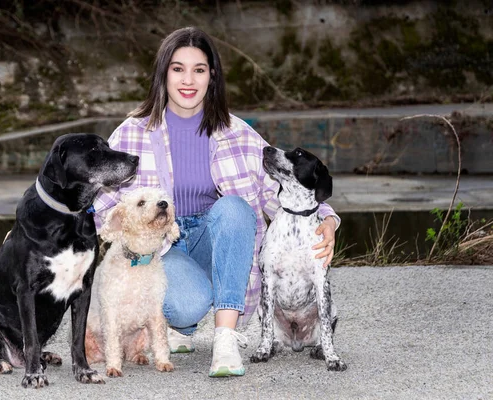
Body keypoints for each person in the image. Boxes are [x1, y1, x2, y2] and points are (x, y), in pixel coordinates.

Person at [93, 26, 340, 377]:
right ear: (163, 73)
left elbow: (281, 192)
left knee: (235, 209)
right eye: (177, 69)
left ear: (213, 75)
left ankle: (225, 338)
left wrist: (327, 219)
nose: (188, 80)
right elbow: (102, 205)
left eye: (199, 69)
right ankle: (181, 323)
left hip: (217, 238)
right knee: (189, 303)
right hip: (162, 250)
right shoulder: (130, 133)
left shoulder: (237, 132)